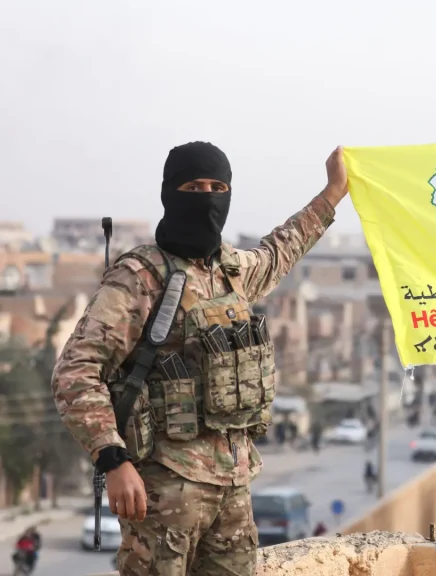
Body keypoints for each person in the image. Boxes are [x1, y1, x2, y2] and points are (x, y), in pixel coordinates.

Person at [51, 142, 350, 576]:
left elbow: (282, 249)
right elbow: (76, 371)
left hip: (233, 487)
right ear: (170, 193)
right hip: (163, 489)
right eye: (194, 187)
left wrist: (333, 192)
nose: (207, 196)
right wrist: (112, 459)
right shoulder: (140, 277)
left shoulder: (232, 269)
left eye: (217, 187)